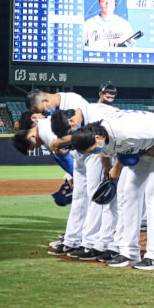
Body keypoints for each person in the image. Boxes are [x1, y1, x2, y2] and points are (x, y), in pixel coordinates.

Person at [70, 111, 154, 270]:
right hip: (141, 150)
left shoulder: (125, 129)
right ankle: (129, 252)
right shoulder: (98, 135)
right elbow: (104, 152)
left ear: (98, 138)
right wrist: (107, 166)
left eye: (91, 149)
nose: (92, 152)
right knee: (128, 194)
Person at [48, 104, 118, 261]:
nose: (68, 137)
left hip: (98, 152)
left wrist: (106, 164)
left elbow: (102, 142)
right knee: (79, 197)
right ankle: (72, 240)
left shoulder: (94, 115)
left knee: (97, 197)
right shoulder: (76, 118)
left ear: (72, 121)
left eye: (68, 134)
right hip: (83, 153)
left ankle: (92, 242)